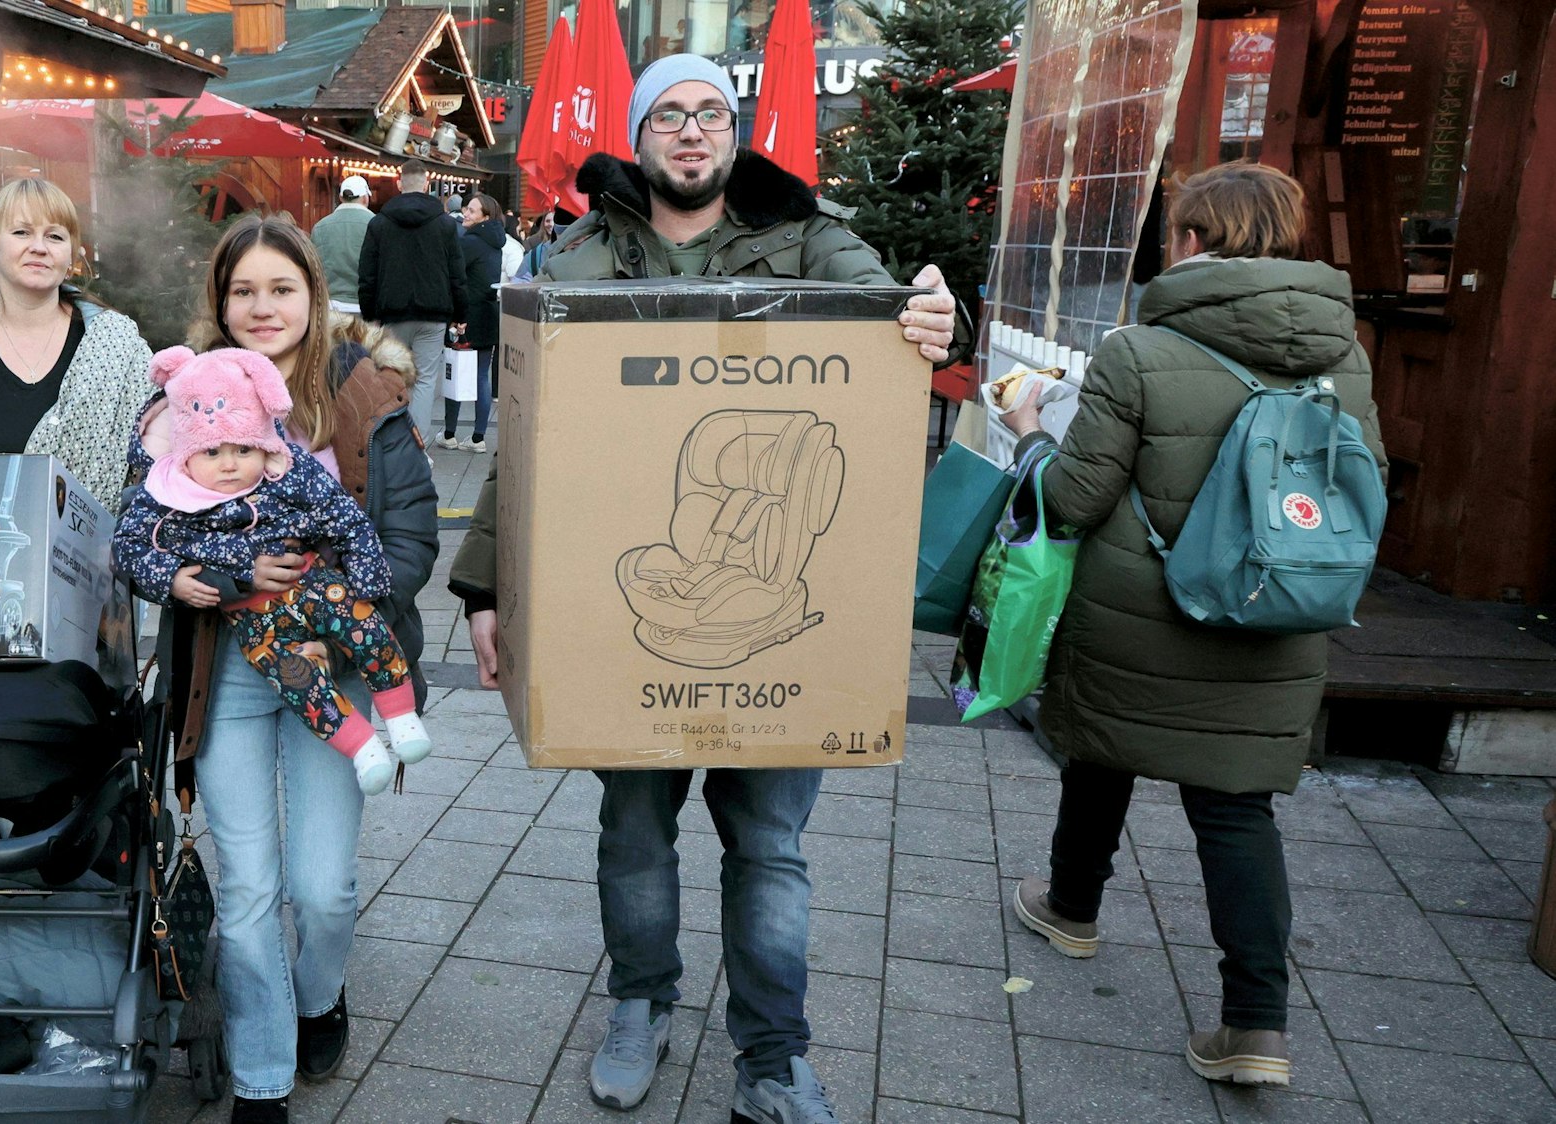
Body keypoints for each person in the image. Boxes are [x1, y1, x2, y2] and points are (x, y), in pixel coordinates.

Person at [446, 55, 965, 1123]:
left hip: (772, 611)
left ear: (735, 132)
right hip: (634, 616)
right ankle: (640, 1001)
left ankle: (772, 1059)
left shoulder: (809, 238)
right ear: (640, 137)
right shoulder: (579, 254)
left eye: (711, 114)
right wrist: (484, 587)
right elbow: (525, 438)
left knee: (769, 846)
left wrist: (930, 315)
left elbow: (894, 312)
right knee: (635, 835)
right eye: (669, 116)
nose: (691, 131)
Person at [999, 161, 1385, 1088]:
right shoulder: (1345, 354)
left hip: (1143, 609)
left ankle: (1072, 908)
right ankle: (1256, 1026)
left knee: (1102, 746)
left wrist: (1028, 431)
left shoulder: (1139, 351)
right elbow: (1362, 483)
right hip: (1276, 609)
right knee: (1236, 808)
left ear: (1195, 241)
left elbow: (1077, 498)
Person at [133, 216, 438, 1124]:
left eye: (281, 289)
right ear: (219, 301)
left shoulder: (365, 393)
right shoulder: (189, 397)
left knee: (322, 888)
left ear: (313, 292)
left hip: (331, 666)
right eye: (243, 291)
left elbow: (409, 537)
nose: (262, 308)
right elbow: (145, 525)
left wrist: (325, 608)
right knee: (249, 890)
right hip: (222, 668)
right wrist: (214, 579)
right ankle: (262, 1078)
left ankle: (320, 996)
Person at [115, 344, 432, 796]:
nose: (229, 464)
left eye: (244, 448)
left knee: (365, 626)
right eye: (211, 452)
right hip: (251, 620)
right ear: (186, 453)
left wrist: (367, 577)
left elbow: (340, 512)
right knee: (297, 681)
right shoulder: (167, 495)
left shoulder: (285, 470)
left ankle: (401, 717)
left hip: (314, 582)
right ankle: (363, 747)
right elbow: (127, 547)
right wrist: (171, 578)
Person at [0, 177, 153, 511]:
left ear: (72, 254)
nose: (39, 247)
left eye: (54, 236)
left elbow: (158, 469)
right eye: (21, 232)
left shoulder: (115, 345)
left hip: (101, 542)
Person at [357, 161, 466, 438]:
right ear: (427, 184)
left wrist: (370, 315)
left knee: (394, 377)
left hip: (392, 312)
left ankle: (394, 440)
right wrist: (460, 313)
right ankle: (419, 442)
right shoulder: (445, 224)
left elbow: (367, 274)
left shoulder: (379, 223)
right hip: (434, 311)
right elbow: (456, 272)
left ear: (399, 184)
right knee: (426, 379)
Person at [438, 192, 504, 453]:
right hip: (488, 314)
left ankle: (449, 433)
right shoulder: (496, 241)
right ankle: (478, 437)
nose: (466, 213)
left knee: (455, 371)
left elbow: (454, 277)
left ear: (484, 217)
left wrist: (455, 316)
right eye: (466, 208)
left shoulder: (470, 242)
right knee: (481, 377)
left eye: (472, 211)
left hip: (465, 316)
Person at [311, 175, 374, 314]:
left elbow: (313, 267)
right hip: (366, 305)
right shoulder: (376, 224)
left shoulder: (320, 227)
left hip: (330, 305)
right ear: (365, 198)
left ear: (340, 198)